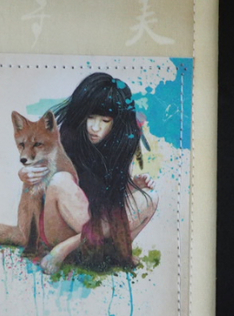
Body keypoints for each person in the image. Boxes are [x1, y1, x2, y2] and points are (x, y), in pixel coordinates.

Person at [20, 72, 158, 274]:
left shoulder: (123, 144)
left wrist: (133, 185)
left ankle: (69, 248)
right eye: (90, 117)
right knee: (60, 181)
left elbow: (114, 198)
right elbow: (41, 177)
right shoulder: (64, 136)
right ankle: (105, 250)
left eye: (105, 120)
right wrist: (25, 175)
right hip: (62, 226)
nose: (94, 127)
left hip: (93, 228)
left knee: (150, 197)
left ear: (117, 122)